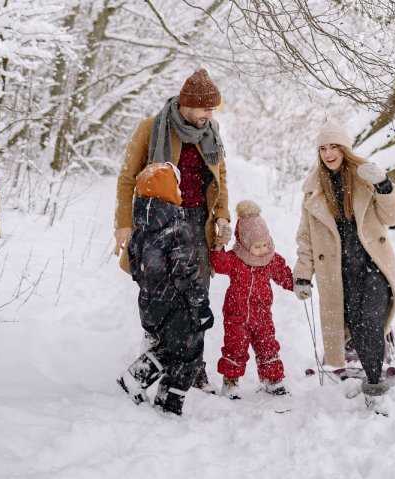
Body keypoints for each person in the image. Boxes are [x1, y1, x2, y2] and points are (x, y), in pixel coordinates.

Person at [113, 68, 231, 392]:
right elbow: (127, 178)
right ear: (187, 105)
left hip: (199, 223)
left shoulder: (212, 132)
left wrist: (223, 216)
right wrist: (123, 223)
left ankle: (194, 368)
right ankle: (157, 357)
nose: (210, 114)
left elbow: (221, 180)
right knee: (162, 297)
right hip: (159, 221)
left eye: (212, 109)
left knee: (197, 297)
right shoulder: (152, 128)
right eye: (205, 108)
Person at [293, 121, 395, 414]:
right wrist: (303, 273)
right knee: (357, 325)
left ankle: (375, 386)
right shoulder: (313, 189)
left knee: (369, 321)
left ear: (344, 149)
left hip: (373, 264)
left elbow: (392, 217)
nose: (328, 153)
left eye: (333, 147)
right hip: (340, 273)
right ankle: (374, 361)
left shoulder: (365, 175)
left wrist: (384, 185)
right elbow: (306, 237)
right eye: (323, 148)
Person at [116, 162, 215, 416]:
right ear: (170, 192)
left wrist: (153, 288)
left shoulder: (141, 230)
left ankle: (149, 388)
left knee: (171, 348)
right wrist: (200, 304)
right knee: (187, 352)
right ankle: (166, 401)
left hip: (150, 304)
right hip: (177, 305)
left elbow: (135, 269)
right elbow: (186, 274)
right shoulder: (177, 229)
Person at [210, 200, 294, 399]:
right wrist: (218, 245)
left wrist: (297, 284)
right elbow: (218, 262)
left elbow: (283, 273)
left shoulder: (271, 259)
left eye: (266, 243)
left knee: (268, 345)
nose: (263, 249)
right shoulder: (235, 259)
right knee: (235, 348)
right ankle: (230, 383)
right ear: (245, 244)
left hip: (262, 314)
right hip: (236, 316)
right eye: (257, 246)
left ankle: (271, 380)